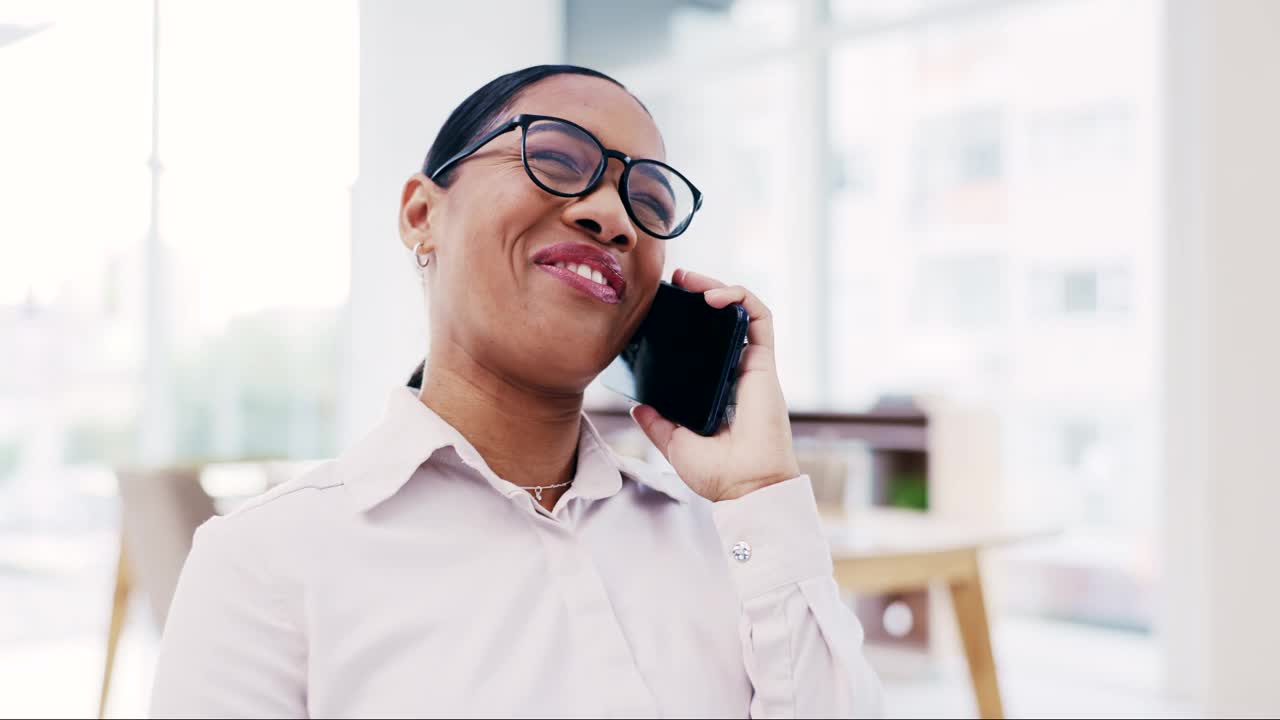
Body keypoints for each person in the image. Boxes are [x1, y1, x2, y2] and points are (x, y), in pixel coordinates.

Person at [150, 64, 882, 718]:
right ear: (421, 215)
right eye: (556, 159)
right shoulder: (267, 562)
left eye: (651, 204)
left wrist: (760, 488)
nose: (613, 217)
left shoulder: (731, 542)